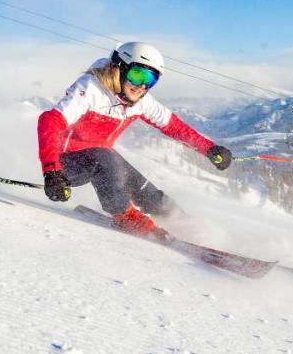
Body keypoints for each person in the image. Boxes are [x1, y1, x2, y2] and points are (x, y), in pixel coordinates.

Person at [37, 41, 233, 235]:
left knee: (141, 186)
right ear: (119, 68)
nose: (142, 86)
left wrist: (210, 149)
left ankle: (186, 227)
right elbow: (49, 121)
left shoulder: (141, 101)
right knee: (104, 157)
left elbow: (175, 127)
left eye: (150, 80)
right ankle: (128, 219)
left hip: (104, 161)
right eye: (137, 75)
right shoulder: (91, 89)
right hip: (65, 165)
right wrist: (52, 172)